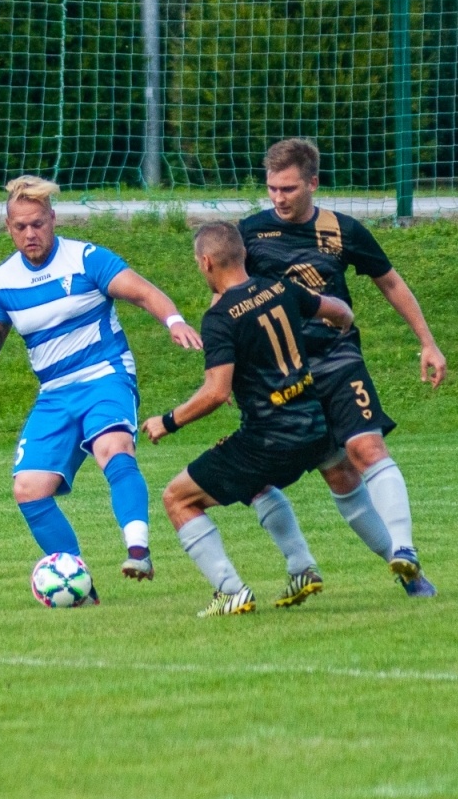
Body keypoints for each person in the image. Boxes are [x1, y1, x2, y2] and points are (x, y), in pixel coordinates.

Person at [0, 175, 203, 588]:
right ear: (8, 228)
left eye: (38, 223)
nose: (30, 233)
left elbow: (142, 292)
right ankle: (76, 582)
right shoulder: (3, 280)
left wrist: (173, 321)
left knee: (112, 447)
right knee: (29, 489)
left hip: (105, 376)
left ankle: (138, 550)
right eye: (20, 227)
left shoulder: (86, 259)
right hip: (55, 394)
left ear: (52, 218)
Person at [237, 138, 440, 597]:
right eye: (271, 189)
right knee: (337, 474)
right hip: (280, 372)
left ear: (313, 182)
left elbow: (390, 283)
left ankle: (405, 552)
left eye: (288, 188)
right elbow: (228, 298)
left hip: (336, 357)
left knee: (367, 449)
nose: (278, 198)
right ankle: (390, 567)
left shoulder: (342, 230)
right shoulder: (249, 233)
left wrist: (427, 343)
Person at [144, 222, 354, 617]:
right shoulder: (279, 287)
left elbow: (216, 392)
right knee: (254, 485)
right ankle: (301, 568)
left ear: (205, 261)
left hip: (269, 437)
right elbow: (340, 311)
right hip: (312, 425)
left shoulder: (221, 316)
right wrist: (343, 331)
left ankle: (230, 591)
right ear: (242, 254)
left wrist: (167, 421)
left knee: (177, 497)